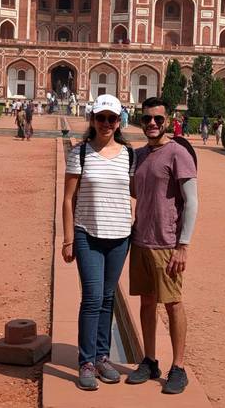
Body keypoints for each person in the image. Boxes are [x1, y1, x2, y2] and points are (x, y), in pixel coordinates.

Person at [62, 94, 135, 391]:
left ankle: (103, 356)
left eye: (111, 119)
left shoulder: (130, 154)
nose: (106, 123)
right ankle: (86, 362)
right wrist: (68, 239)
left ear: (119, 122)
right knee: (92, 298)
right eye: (101, 117)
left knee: (108, 299)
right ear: (92, 119)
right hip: (87, 234)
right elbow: (68, 200)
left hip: (119, 236)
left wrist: (132, 217)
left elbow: (134, 193)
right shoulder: (80, 153)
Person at [126, 97, 198, 395]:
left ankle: (178, 367)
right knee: (145, 302)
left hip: (167, 243)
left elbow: (192, 201)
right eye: (147, 119)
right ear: (140, 122)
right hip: (141, 239)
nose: (152, 124)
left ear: (167, 120)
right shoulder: (139, 155)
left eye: (157, 119)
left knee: (172, 303)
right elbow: (134, 192)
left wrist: (183, 245)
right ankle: (150, 360)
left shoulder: (178, 153)